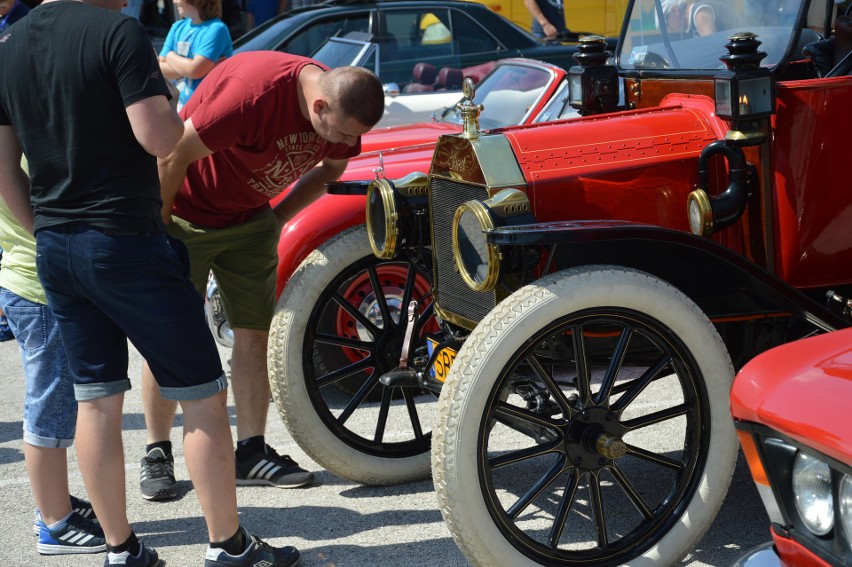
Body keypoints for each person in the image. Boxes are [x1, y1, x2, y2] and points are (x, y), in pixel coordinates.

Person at [0, 1, 299, 566]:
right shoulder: (118, 32)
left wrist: (41, 229)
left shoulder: (8, 46)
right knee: (204, 393)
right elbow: (161, 139)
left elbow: (2, 164)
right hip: (123, 238)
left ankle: (121, 551)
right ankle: (228, 547)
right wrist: (162, 94)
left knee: (96, 401)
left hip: (57, 246)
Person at [138, 51, 384, 503]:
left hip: (249, 220)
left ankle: (250, 452)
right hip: (188, 215)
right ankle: (157, 449)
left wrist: (278, 218)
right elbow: (171, 155)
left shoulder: (339, 114)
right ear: (319, 108)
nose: (349, 143)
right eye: (345, 133)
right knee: (167, 336)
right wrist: (161, 228)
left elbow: (331, 171)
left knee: (254, 333)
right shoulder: (252, 96)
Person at [0, 160, 105, 556]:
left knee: (55, 400)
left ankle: (53, 503)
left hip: (27, 280)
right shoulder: (18, 136)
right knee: (51, 403)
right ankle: (54, 522)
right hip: (41, 287)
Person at [159, 0, 233, 112]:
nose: (174, 1)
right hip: (179, 106)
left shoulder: (216, 29)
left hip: (207, 107)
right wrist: (192, 69)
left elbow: (195, 70)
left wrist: (170, 56)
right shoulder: (177, 27)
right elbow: (160, 69)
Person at [659, 0, 744, 37]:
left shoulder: (699, 14)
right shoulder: (692, 25)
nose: (671, 29)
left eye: (666, 24)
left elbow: (711, 47)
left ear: (675, 11)